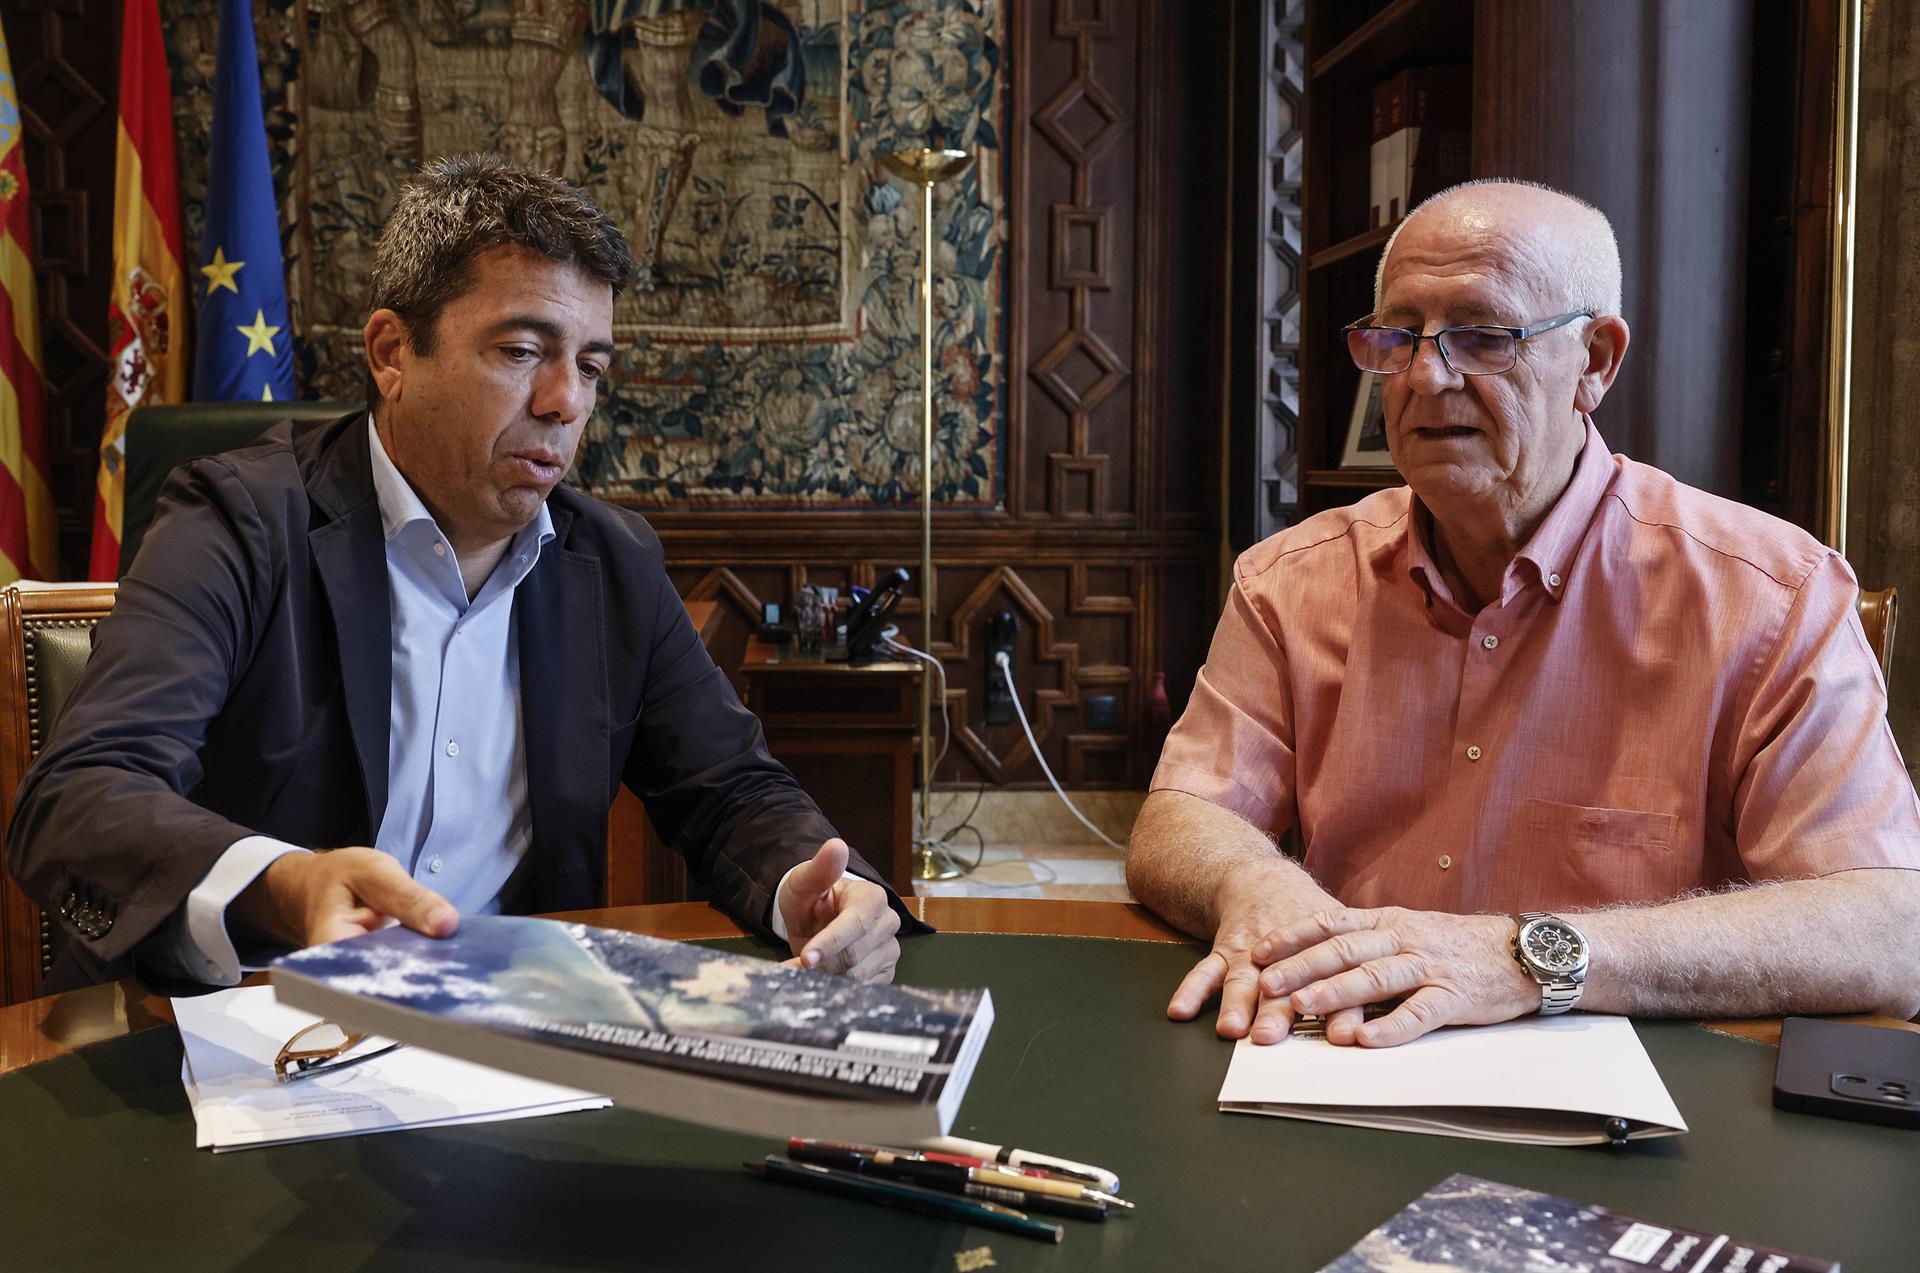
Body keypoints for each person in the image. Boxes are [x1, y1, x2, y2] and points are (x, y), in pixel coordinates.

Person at [7, 154, 910, 994]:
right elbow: (79, 795)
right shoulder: (238, 521)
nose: (565, 401)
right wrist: (286, 883)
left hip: (503, 1045)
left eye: (591, 366)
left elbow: (732, 788)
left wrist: (813, 886)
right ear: (392, 354)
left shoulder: (612, 562)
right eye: (521, 352)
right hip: (247, 1025)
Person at [1127, 179, 1920, 1049]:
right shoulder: (1291, 578)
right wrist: (1255, 882)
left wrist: (1526, 957)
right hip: (1347, 1052)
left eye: (1483, 337)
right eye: (1398, 336)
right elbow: (1180, 816)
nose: (1426, 375)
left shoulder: (1768, 596)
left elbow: (1886, 929)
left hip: (1637, 1087)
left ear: (1595, 361)